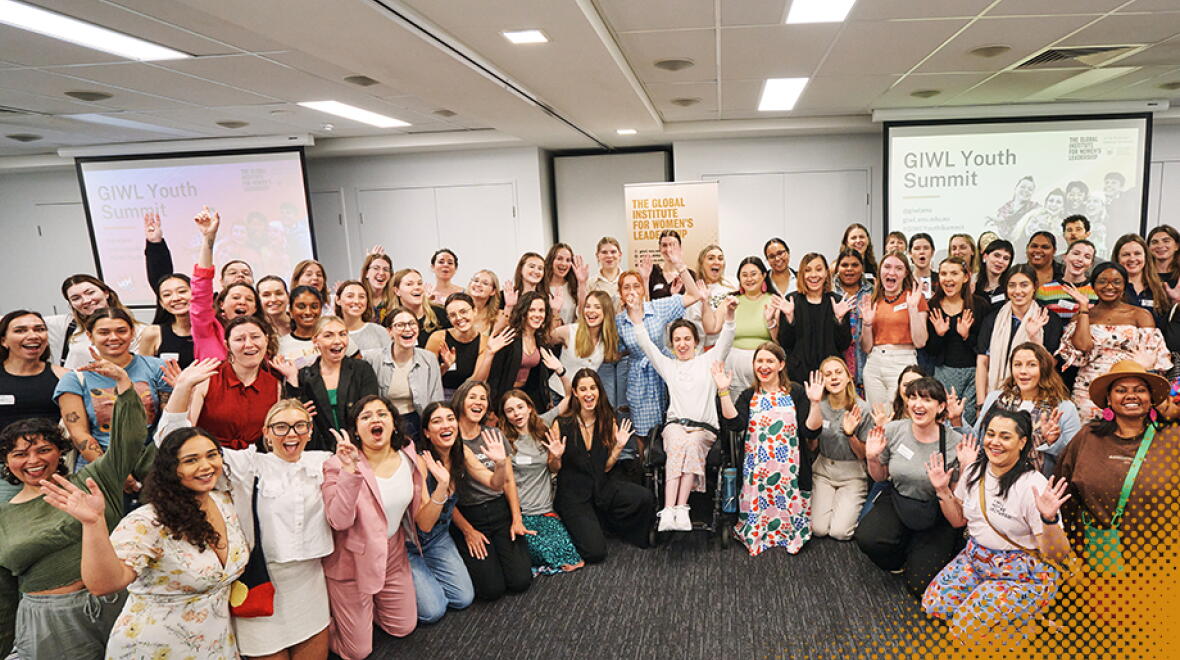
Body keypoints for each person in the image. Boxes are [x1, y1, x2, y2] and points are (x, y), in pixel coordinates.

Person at [158, 371, 333, 660]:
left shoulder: (325, 462)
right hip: (258, 582)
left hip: (310, 584)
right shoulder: (248, 466)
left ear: (310, 431)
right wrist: (184, 388)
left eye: (300, 425)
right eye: (281, 427)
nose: (291, 434)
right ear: (266, 433)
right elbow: (173, 444)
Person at [40, 425, 246, 658]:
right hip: (153, 647)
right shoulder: (147, 521)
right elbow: (103, 585)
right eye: (191, 460)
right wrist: (93, 523)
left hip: (216, 645)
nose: (206, 466)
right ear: (170, 468)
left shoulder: (225, 502)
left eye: (212, 455)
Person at [0, 369, 150, 658]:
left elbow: (128, 442)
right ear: (7, 462)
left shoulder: (94, 481)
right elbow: (4, 599)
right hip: (50, 627)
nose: (33, 460)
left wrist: (123, 384)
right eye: (19, 454)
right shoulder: (3, 517)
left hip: (119, 607)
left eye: (44, 449)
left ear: (60, 452)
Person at [922, 410, 1072, 642]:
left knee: (962, 630)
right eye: (990, 434)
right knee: (934, 605)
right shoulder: (973, 471)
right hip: (976, 560)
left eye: (1005, 436)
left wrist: (1049, 519)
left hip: (1023, 574)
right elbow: (958, 520)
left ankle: (1028, 626)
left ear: (1022, 442)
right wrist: (942, 490)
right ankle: (1008, 615)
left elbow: (1058, 554)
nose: (995, 442)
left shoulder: (1032, 485)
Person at [1053, 361, 1177, 613]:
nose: (1131, 395)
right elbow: (1062, 491)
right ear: (1109, 399)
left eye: (1140, 390)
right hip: (1099, 557)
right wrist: (1070, 550)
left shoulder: (1172, 440)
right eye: (1121, 390)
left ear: (1151, 399)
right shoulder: (1087, 437)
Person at [321, 396, 423, 660]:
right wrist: (349, 471)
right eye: (365, 416)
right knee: (358, 652)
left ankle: (368, 612)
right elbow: (339, 521)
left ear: (394, 424)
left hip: (393, 554)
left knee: (403, 627)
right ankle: (321, 625)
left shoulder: (408, 453)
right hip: (352, 563)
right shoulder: (337, 464)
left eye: (382, 414)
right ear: (356, 430)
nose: (375, 419)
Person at [627, 294, 736, 531]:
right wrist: (636, 321)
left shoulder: (709, 360)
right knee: (678, 443)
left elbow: (727, 339)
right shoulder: (669, 366)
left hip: (703, 429)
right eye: (677, 340)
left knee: (692, 444)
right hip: (676, 425)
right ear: (672, 344)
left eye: (687, 339)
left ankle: (681, 507)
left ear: (696, 341)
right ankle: (669, 510)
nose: (682, 344)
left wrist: (729, 315)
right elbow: (647, 346)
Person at [854, 377, 964, 597]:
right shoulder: (893, 430)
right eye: (913, 398)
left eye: (926, 399)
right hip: (900, 500)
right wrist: (872, 458)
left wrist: (942, 489)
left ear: (940, 407)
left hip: (937, 512)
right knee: (867, 537)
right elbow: (881, 476)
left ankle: (924, 550)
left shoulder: (954, 442)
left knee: (919, 585)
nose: (917, 404)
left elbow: (958, 509)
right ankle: (903, 555)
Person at [715, 342, 817, 555]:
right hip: (758, 473)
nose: (764, 366)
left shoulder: (796, 392)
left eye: (770, 361)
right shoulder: (748, 395)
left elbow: (810, 431)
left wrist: (815, 403)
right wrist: (723, 392)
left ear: (781, 365)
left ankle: (790, 534)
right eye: (759, 361)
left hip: (790, 472)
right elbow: (735, 424)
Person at [616, 247, 712, 458]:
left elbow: (694, 295)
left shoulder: (658, 307)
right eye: (626, 287)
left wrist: (680, 265)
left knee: (673, 425)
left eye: (636, 286)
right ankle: (646, 467)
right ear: (620, 294)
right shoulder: (619, 321)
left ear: (643, 289)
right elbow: (616, 352)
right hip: (639, 379)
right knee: (643, 432)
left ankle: (676, 463)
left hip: (667, 371)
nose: (632, 291)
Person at [552, 369, 654, 561]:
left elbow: (605, 467)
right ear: (575, 393)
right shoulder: (562, 423)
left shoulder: (607, 420)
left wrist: (619, 447)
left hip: (601, 486)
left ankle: (604, 524)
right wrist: (556, 457)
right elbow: (553, 468)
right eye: (583, 389)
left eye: (593, 388)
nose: (588, 394)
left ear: (599, 390)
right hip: (574, 494)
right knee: (595, 553)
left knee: (644, 498)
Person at [54, 308, 171, 469]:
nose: (114, 337)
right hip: (99, 467)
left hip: (152, 465)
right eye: (104, 332)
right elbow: (79, 434)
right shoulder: (74, 379)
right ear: (90, 336)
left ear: (132, 333)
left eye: (121, 331)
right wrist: (114, 471)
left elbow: (168, 421)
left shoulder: (157, 368)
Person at [449, 380, 533, 600]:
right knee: (491, 590)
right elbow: (447, 497)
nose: (478, 402)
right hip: (469, 515)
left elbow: (508, 481)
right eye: (473, 397)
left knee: (520, 581)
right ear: (461, 401)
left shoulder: (494, 434)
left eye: (483, 398)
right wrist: (468, 531)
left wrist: (516, 519)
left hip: (499, 510)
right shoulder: (449, 438)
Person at [1055, 262, 1171, 421]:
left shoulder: (1140, 315)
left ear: (1124, 286)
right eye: (1102, 281)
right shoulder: (1083, 315)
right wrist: (1083, 308)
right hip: (1089, 390)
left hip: (1130, 389)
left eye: (1116, 282)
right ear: (1093, 285)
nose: (1109, 286)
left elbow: (1152, 357)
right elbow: (1083, 347)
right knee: (1089, 435)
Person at [498, 390, 583, 574]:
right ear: (505, 415)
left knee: (571, 557)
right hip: (521, 512)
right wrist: (516, 517)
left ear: (529, 407)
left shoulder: (543, 425)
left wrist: (557, 456)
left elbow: (569, 396)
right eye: (510, 410)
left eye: (520, 407)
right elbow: (505, 481)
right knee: (543, 551)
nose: (517, 413)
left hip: (545, 510)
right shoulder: (503, 439)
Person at [970, 343, 1081, 478]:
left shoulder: (1064, 408)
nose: (1023, 371)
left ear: (1044, 369)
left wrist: (1053, 442)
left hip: (1038, 484)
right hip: (992, 478)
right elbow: (975, 440)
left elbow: (1074, 458)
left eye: (1031, 365)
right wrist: (957, 421)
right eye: (1017, 365)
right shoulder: (995, 398)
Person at [410, 402, 477, 623]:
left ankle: (425, 578)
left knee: (463, 598)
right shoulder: (421, 462)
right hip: (410, 543)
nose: (446, 425)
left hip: (439, 538)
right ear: (427, 432)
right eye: (437, 421)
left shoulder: (459, 455)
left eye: (450, 419)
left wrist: (502, 463)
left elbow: (493, 482)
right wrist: (442, 486)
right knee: (433, 612)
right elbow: (424, 524)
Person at [274, 316, 378, 452]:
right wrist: (292, 378)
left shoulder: (362, 369)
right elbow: (295, 415)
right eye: (329, 335)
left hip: (360, 448)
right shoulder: (303, 376)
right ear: (315, 341)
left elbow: (371, 410)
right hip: (319, 451)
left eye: (342, 334)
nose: (337, 340)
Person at [180, 317, 282, 451]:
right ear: (227, 345)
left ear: (266, 340)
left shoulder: (274, 385)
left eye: (255, 337)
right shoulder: (207, 378)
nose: (249, 344)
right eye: (239, 339)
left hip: (255, 458)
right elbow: (186, 431)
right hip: (210, 455)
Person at [976, 265, 1062, 401]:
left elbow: (1051, 364)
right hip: (996, 396)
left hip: (1036, 398)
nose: (1017, 291)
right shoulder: (994, 318)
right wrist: (981, 403)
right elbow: (982, 361)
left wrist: (1035, 338)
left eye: (1024, 285)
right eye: (1012, 285)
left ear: (1034, 287)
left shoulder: (1048, 319)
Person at [809, 356, 872, 541]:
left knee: (840, 532)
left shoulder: (862, 408)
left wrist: (850, 434)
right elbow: (812, 446)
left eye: (838, 372)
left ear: (848, 377)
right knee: (818, 529)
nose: (834, 377)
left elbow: (863, 454)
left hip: (852, 474)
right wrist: (812, 418)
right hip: (824, 471)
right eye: (828, 374)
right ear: (823, 381)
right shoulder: (819, 405)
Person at [859, 251, 929, 409]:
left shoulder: (914, 298)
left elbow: (920, 342)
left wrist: (912, 309)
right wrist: (867, 323)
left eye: (898, 268)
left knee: (899, 414)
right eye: (887, 267)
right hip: (874, 362)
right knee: (876, 416)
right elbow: (866, 347)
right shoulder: (873, 299)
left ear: (905, 273)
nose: (891, 272)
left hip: (902, 362)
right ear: (880, 271)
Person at [362, 307, 444, 440]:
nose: (407, 329)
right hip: (383, 423)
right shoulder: (372, 358)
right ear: (389, 331)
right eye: (400, 325)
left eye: (412, 324)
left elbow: (436, 398)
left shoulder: (429, 359)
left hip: (418, 421)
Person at [189, 207, 260, 361]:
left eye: (249, 299)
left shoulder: (262, 335)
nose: (242, 301)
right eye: (236, 297)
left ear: (256, 308)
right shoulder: (207, 329)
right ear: (221, 304)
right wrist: (209, 238)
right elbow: (201, 288)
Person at [925, 257, 988, 425]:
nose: (948, 279)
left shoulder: (980, 305)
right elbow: (930, 351)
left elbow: (985, 348)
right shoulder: (933, 306)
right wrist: (939, 334)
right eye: (943, 274)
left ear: (965, 277)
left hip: (973, 374)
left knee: (966, 421)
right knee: (943, 419)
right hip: (943, 372)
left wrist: (966, 336)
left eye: (954, 273)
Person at [775, 252, 853, 384]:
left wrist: (839, 320)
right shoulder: (791, 300)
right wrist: (789, 317)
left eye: (818, 269)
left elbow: (843, 344)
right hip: (798, 376)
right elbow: (785, 344)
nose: (813, 275)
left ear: (826, 273)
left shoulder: (837, 301)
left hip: (830, 376)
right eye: (808, 270)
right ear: (802, 274)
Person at [45, 275, 146, 370]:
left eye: (90, 293)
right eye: (76, 298)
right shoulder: (67, 324)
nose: (86, 300)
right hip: (75, 381)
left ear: (106, 293)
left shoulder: (141, 331)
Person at [488, 291, 558, 412]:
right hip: (504, 397)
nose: (537, 315)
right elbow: (494, 376)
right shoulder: (509, 336)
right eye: (532, 310)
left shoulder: (540, 339)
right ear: (523, 312)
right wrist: (492, 408)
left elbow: (542, 375)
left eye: (541, 310)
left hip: (528, 397)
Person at [425, 293, 505, 398]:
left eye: (463, 312)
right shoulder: (438, 338)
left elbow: (477, 381)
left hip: (468, 394)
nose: (459, 318)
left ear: (474, 311)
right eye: (453, 315)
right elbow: (427, 379)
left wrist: (490, 354)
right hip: (439, 393)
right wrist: (445, 367)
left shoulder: (484, 342)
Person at [548, 291, 619, 402]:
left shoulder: (607, 339)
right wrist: (554, 312)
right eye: (588, 306)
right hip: (558, 395)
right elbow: (545, 339)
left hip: (582, 400)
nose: (591, 311)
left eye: (597, 307)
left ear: (606, 312)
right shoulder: (570, 331)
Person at [723, 256, 776, 396]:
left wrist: (771, 321)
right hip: (733, 365)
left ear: (764, 275)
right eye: (744, 275)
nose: (749, 279)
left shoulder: (774, 300)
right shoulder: (731, 301)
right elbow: (712, 328)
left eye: (753, 274)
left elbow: (779, 340)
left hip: (765, 365)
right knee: (735, 406)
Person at [834, 249, 875, 395]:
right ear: (837, 267)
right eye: (844, 265)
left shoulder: (872, 292)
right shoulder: (829, 291)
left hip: (866, 358)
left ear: (862, 268)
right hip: (836, 358)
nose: (849, 269)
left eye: (855, 265)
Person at [140, 273, 193, 366]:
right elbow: (143, 371)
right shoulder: (153, 333)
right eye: (167, 295)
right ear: (161, 303)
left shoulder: (214, 330)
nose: (176, 298)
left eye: (182, 291)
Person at [1113, 233, 1168, 320]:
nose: (1132, 259)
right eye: (1126, 254)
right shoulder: (1110, 288)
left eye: (1137, 253)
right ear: (1117, 258)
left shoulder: (1159, 288)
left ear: (1146, 257)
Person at [392, 268, 449, 348]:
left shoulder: (441, 314)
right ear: (397, 291)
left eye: (419, 283)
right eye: (409, 284)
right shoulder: (390, 320)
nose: (417, 287)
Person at [277, 285, 329, 368]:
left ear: (321, 309)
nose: (308, 312)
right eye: (301, 307)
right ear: (290, 311)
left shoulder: (334, 338)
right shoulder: (280, 345)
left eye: (314, 307)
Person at [336, 280, 390, 353]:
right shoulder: (331, 333)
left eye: (361, 297)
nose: (356, 301)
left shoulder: (380, 331)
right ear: (338, 300)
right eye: (350, 296)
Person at [648, 231, 700, 299]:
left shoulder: (691, 275)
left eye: (673, 245)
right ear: (660, 248)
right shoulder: (652, 272)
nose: (668, 249)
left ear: (680, 248)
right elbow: (645, 301)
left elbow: (696, 298)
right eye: (664, 245)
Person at [542, 243, 584, 325]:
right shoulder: (541, 286)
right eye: (559, 258)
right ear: (551, 260)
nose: (564, 263)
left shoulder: (574, 286)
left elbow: (582, 313)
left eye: (568, 260)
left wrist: (582, 283)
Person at [360, 248, 398, 323]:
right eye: (376, 268)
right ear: (366, 273)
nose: (381, 273)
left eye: (386, 269)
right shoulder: (359, 298)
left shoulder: (395, 297)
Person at [588, 236, 623, 308]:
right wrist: (581, 283)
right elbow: (582, 311)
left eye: (613, 252)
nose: (609, 256)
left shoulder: (627, 281)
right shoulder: (590, 283)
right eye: (604, 252)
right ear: (597, 256)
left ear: (620, 255)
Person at [976, 239, 1015, 304]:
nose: (1000, 261)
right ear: (985, 257)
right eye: (996, 255)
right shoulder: (974, 287)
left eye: (1006, 258)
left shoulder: (1011, 288)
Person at [467, 269, 504, 335]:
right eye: (476, 281)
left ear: (493, 291)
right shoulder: (457, 308)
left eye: (485, 283)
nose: (478, 284)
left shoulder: (497, 315)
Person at [909, 233, 935, 299]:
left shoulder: (941, 280)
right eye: (917, 248)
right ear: (910, 253)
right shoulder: (905, 281)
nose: (922, 252)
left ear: (932, 252)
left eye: (926, 248)